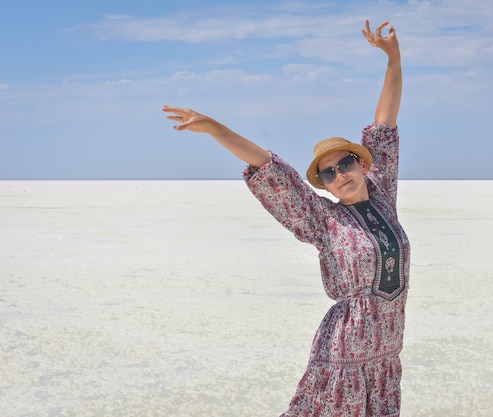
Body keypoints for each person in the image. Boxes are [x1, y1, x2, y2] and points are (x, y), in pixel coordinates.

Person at [163, 19, 409, 417]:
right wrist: (215, 129)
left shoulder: (383, 198)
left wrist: (394, 60)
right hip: (343, 355)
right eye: (328, 173)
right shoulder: (325, 221)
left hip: (386, 355)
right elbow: (271, 169)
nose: (339, 174)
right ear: (326, 187)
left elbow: (384, 124)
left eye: (345, 163)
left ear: (363, 165)